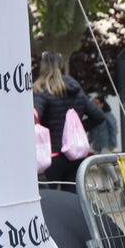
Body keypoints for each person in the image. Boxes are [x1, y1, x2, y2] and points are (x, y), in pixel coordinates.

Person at [32, 51, 104, 190]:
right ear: (61, 66)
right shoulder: (76, 90)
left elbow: (35, 116)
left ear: (43, 67)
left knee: (48, 199)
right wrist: (75, 130)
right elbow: (98, 116)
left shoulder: (42, 90)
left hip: (52, 154)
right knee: (72, 198)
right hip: (76, 154)